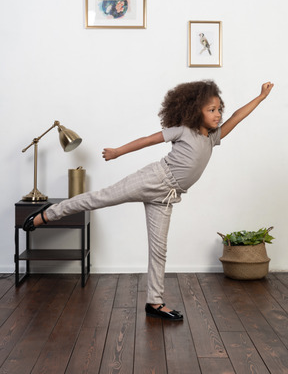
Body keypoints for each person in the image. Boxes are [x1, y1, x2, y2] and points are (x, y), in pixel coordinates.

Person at [23, 80, 274, 321]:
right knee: (100, 198)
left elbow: (237, 117)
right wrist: (118, 151)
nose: (218, 114)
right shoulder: (183, 130)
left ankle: (154, 302)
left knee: (159, 250)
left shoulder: (212, 137)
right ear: (194, 111)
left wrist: (261, 97)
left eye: (219, 109)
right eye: (211, 110)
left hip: (167, 197)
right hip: (154, 179)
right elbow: (148, 140)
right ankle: (46, 215)